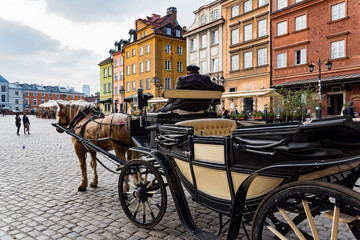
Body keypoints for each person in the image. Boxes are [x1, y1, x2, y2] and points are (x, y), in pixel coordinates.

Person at [160, 64, 225, 112]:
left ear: (187, 72)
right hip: (201, 106)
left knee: (163, 110)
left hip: (184, 106)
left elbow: (173, 95)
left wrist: (165, 106)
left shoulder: (181, 79)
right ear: (198, 72)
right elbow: (221, 89)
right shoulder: (206, 79)